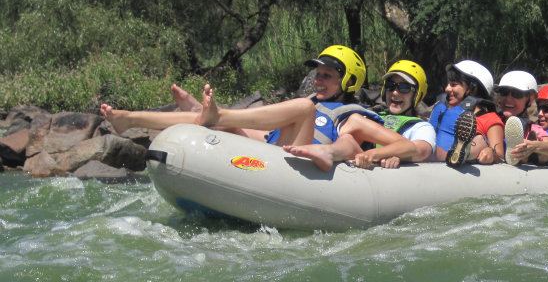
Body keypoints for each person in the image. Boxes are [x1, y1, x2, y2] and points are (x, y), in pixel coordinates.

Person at [101, 45, 418, 172]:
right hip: (277, 147)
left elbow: (402, 144)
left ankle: (216, 114)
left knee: (304, 108)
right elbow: (264, 134)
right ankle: (131, 120)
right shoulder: (313, 106)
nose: (318, 80)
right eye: (317, 74)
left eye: (328, 75)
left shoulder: (352, 116)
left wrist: (378, 154)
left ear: (347, 81)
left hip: (304, 159)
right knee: (222, 123)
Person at [427, 60, 498, 166]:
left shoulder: (489, 118)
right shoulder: (441, 109)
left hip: (446, 161)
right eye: (448, 84)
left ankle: (462, 153)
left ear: (472, 88)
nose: (447, 88)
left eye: (453, 84)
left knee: (480, 140)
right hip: (431, 157)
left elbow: (500, 155)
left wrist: (491, 152)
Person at [369, 59, 436, 168]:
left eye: (404, 88)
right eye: (391, 85)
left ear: (417, 95)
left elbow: (422, 151)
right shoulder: (371, 117)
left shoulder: (421, 127)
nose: (395, 92)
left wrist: (399, 156)